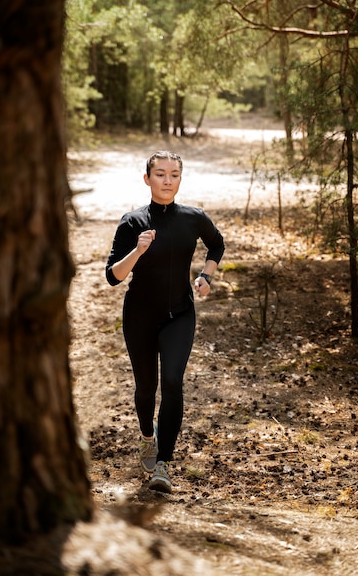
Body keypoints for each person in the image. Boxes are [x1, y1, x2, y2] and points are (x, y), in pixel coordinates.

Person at [105, 151, 225, 493]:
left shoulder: (193, 217)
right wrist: (138, 250)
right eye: (160, 174)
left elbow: (217, 244)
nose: (167, 180)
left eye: (174, 174)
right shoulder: (132, 222)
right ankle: (147, 437)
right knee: (146, 388)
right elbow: (113, 276)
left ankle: (164, 465)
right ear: (147, 179)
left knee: (172, 382)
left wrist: (206, 276)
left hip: (180, 313)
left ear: (180, 179)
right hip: (140, 315)